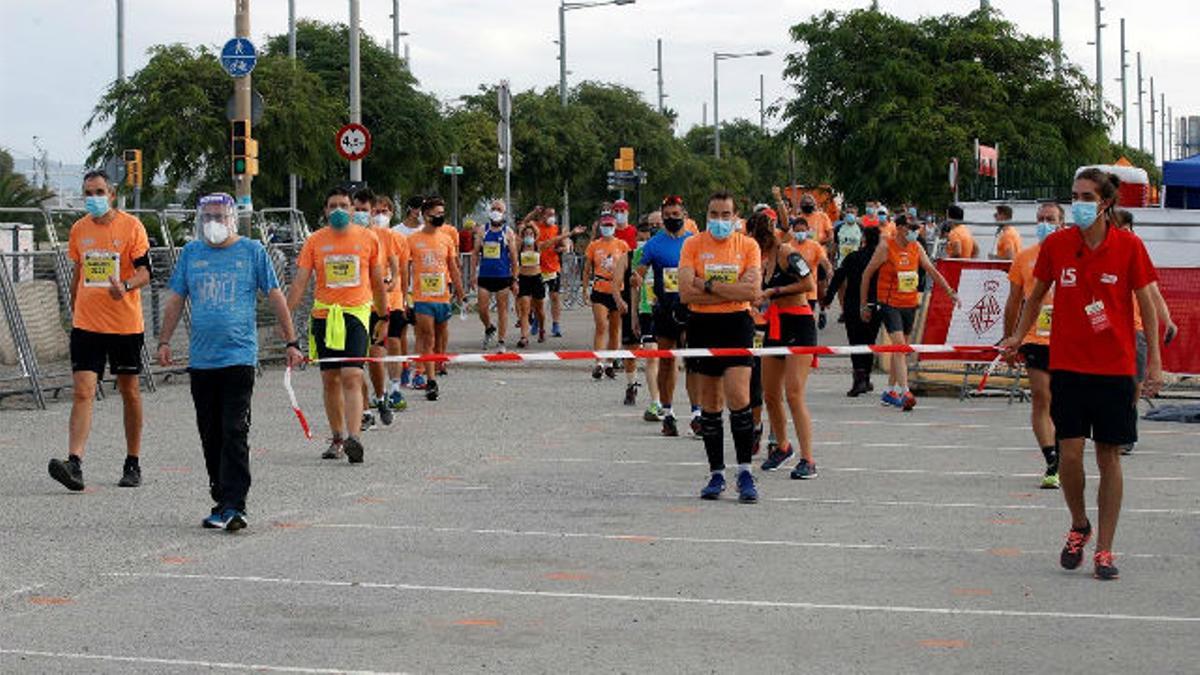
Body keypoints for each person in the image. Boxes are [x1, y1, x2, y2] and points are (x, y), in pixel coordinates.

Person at [1000, 168, 1162, 581]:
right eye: (1075, 196)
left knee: (1109, 457)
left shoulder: (1129, 247)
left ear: (1106, 202)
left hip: (1115, 369)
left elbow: (1147, 306)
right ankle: (1079, 524)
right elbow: (1034, 297)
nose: (1079, 204)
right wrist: (1017, 336)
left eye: (1087, 196)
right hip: (1067, 365)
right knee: (1070, 456)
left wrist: (1155, 363)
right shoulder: (1058, 245)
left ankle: (1105, 550)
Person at [156, 193, 304, 530]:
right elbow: (176, 300)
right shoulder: (192, 254)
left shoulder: (251, 251)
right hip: (202, 360)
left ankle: (236, 504)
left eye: (220, 216)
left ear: (232, 219)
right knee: (210, 433)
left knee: (234, 430)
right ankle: (221, 498)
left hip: (238, 357)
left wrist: (290, 340)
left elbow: (276, 296)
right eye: (207, 217)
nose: (213, 223)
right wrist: (164, 340)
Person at [48, 169, 153, 492]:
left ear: (112, 193)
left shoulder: (132, 226)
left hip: (123, 324)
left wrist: (124, 285)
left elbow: (145, 272)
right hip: (87, 324)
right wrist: (71, 309)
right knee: (82, 390)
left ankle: (132, 461)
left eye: (98, 192)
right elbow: (78, 272)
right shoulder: (80, 229)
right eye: (87, 193)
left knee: (129, 392)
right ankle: (74, 463)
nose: (92, 199)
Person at [286, 186, 388, 464]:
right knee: (330, 379)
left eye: (344, 205)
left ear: (353, 209)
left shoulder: (368, 239)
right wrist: (285, 316)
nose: (339, 210)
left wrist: (383, 316)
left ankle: (355, 437)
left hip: (356, 316)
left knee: (352, 375)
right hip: (323, 318)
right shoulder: (315, 241)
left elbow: (378, 282)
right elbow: (300, 282)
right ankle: (337, 438)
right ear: (325, 211)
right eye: (333, 206)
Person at [678, 192, 763, 503]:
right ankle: (716, 473)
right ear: (706, 214)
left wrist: (708, 285)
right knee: (711, 402)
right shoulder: (693, 244)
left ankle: (744, 471)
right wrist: (731, 291)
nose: (719, 220)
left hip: (737, 324)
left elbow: (752, 291)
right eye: (714, 213)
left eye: (726, 214)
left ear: (736, 216)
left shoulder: (748, 245)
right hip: (702, 326)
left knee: (739, 396)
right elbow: (686, 293)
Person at [745, 213, 819, 479]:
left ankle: (808, 459)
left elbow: (809, 284)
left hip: (799, 325)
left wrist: (773, 292)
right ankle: (783, 446)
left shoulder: (788, 253)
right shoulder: (764, 261)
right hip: (775, 325)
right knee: (770, 393)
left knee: (794, 393)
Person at [860, 214, 959, 410]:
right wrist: (864, 304)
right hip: (889, 303)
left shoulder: (916, 247)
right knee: (899, 347)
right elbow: (867, 274)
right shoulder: (886, 247)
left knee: (901, 350)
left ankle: (889, 391)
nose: (915, 231)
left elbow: (931, 270)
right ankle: (905, 391)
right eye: (910, 227)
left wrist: (949, 291)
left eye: (916, 228)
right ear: (899, 228)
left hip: (909, 303)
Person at [1004, 202, 1065, 489]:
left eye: (1050, 219)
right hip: (1035, 338)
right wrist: (1010, 339)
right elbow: (1014, 302)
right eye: (1040, 219)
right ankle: (1052, 458)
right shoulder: (1024, 257)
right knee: (1041, 396)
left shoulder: (1075, 255)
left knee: (1065, 404)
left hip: (1070, 341)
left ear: (1062, 223)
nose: (1044, 223)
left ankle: (1065, 453)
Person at [1111, 209, 1178, 455]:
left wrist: (1167, 320)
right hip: (1107, 330)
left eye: (1125, 228)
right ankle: (1113, 428)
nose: (1121, 232)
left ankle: (1126, 430)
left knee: (1133, 383)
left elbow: (1153, 291)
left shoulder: (1134, 252)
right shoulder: (1099, 253)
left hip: (1135, 329)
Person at [638, 195, 700, 437]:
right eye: (668, 215)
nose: (672, 219)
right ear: (662, 217)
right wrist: (635, 282)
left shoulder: (693, 242)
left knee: (693, 362)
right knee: (666, 362)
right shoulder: (654, 244)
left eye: (676, 215)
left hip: (691, 309)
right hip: (664, 310)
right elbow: (640, 274)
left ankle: (697, 414)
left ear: (684, 215)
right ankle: (668, 412)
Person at [407, 197, 465, 400]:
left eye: (442, 213)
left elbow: (453, 267)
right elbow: (406, 268)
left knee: (441, 336)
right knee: (427, 337)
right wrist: (405, 294)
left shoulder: (447, 238)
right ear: (425, 215)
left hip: (442, 296)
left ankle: (439, 362)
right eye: (436, 214)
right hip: (422, 297)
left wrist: (460, 290)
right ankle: (430, 380)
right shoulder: (413, 239)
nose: (440, 217)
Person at [824, 218, 883, 396]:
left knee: (855, 342)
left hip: (853, 305)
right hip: (875, 305)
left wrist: (827, 298)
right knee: (870, 341)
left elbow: (838, 277)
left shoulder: (853, 257)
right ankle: (866, 378)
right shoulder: (882, 260)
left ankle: (859, 378)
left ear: (863, 238)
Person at [351, 188, 392, 431]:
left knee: (375, 359)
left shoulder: (382, 238)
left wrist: (385, 312)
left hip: (376, 306)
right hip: (353, 307)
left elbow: (386, 276)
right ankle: (365, 411)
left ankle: (381, 396)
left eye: (365, 211)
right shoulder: (343, 237)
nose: (361, 214)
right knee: (355, 364)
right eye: (356, 210)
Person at [373, 196, 410, 410]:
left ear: (391, 213)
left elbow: (403, 271)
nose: (380, 215)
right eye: (376, 211)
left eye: (384, 211)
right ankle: (379, 391)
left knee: (394, 342)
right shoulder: (366, 236)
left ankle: (396, 388)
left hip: (394, 299)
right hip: (371, 302)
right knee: (375, 347)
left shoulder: (398, 239)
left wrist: (405, 298)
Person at [583, 214, 630, 379]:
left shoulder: (622, 245)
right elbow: (587, 269)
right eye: (605, 225)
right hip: (600, 289)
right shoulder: (594, 246)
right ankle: (598, 363)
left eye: (610, 225)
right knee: (601, 325)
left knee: (615, 329)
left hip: (617, 289)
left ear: (615, 226)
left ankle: (610, 361)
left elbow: (628, 267)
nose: (607, 228)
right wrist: (584, 289)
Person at [475, 199, 518, 352]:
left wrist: (514, 279)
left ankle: (501, 340)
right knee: (482, 309)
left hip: (502, 276)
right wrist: (472, 274)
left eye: (499, 209)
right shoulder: (482, 230)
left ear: (503, 212)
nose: (496, 211)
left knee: (502, 310)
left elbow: (513, 257)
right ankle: (489, 327)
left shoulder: (508, 232)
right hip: (485, 276)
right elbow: (475, 253)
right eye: (493, 208)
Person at [627, 216, 660, 410]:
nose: (653, 230)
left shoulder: (677, 249)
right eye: (650, 227)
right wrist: (634, 315)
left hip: (669, 310)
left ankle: (669, 402)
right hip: (647, 310)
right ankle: (655, 402)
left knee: (669, 359)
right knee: (651, 355)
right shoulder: (640, 254)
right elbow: (634, 287)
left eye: (657, 226)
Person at [515, 222, 545, 348]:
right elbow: (517, 229)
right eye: (526, 234)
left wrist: (570, 233)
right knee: (524, 310)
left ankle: (542, 329)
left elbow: (555, 240)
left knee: (539, 310)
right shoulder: (519, 246)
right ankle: (524, 337)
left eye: (531, 234)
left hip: (537, 279)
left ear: (535, 235)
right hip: (523, 279)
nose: (528, 236)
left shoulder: (538, 246)